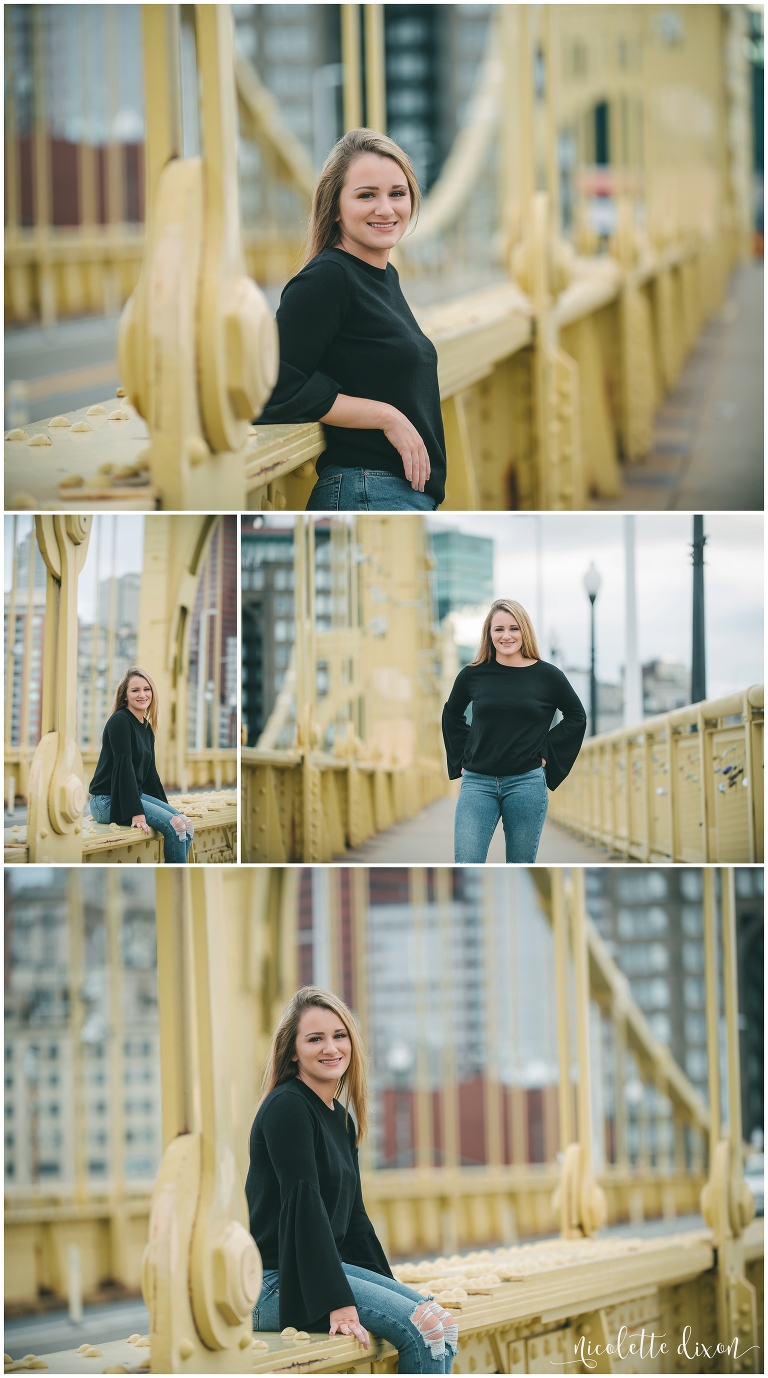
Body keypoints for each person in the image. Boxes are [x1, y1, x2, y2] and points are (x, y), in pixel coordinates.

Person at [246, 987, 456, 1374]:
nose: (331, 1048)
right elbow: (303, 1204)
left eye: (339, 1036)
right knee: (423, 1328)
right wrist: (337, 1301)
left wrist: (389, 1289)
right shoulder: (288, 1107)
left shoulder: (341, 1120)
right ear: (292, 1051)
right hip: (278, 1282)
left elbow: (354, 1220)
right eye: (315, 1038)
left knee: (440, 1322)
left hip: (318, 1269)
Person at [257, 128, 446, 512]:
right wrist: (386, 416)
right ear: (336, 208)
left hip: (393, 494)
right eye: (366, 195)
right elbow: (273, 385)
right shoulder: (328, 278)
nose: (386, 209)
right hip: (368, 493)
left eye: (397, 193)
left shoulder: (382, 277)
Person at [442, 600, 586, 863]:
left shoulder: (548, 676)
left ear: (524, 632)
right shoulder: (472, 675)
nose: (506, 636)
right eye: (498, 629)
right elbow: (452, 714)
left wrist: (547, 752)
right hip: (477, 783)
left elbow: (576, 716)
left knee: (519, 865)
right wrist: (462, 757)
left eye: (513, 628)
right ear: (489, 634)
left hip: (526, 783)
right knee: (466, 862)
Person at [88, 668, 193, 864]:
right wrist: (136, 812)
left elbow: (151, 774)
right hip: (107, 800)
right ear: (125, 696)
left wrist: (165, 808)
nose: (142, 695)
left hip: (131, 794)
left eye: (147, 689)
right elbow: (124, 766)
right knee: (176, 827)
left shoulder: (146, 727)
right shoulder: (120, 721)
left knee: (186, 824)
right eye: (135, 690)